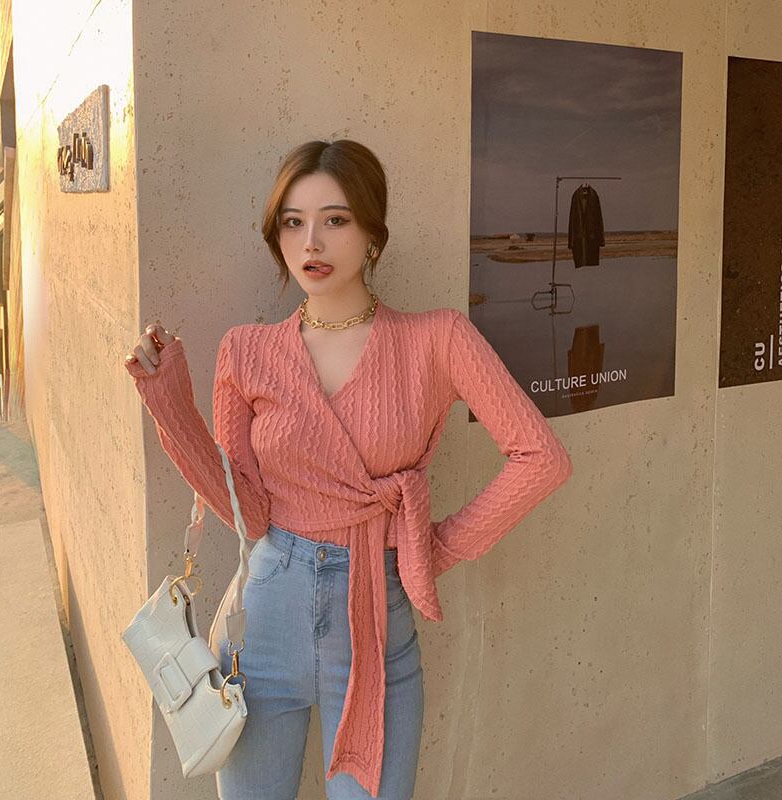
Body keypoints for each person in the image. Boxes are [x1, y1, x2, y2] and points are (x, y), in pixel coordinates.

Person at [124, 139, 573, 800]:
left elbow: (541, 458)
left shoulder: (437, 338)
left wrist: (429, 549)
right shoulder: (247, 351)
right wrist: (169, 403)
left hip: (376, 629)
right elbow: (247, 513)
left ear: (372, 234)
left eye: (334, 219)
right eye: (293, 222)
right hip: (264, 623)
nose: (311, 241)